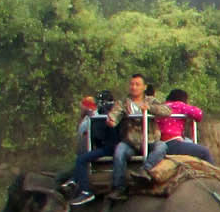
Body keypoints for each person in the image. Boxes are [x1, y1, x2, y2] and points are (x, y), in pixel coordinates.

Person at [68, 74, 168, 203]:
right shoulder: (122, 103)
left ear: (144, 87)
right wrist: (111, 121)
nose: (134, 87)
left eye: (137, 84)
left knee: (162, 147)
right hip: (131, 142)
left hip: (150, 141)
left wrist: (150, 109)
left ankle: (145, 170)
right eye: (132, 84)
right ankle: (118, 187)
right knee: (119, 151)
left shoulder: (152, 101)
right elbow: (115, 115)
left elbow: (167, 111)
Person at [144, 89, 216, 167]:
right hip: (172, 143)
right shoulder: (179, 105)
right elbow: (198, 114)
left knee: (188, 141)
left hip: (159, 142)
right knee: (204, 152)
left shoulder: (161, 107)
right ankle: (216, 176)